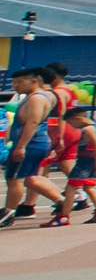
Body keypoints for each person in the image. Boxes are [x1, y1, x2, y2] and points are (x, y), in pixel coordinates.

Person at [5, 66, 65, 223]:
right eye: (13, 83)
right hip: (33, 143)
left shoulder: (37, 98)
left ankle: (8, 212)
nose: (15, 86)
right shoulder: (31, 97)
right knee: (30, 178)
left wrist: (21, 147)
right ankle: (63, 201)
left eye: (20, 82)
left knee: (14, 179)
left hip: (31, 144)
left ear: (34, 80)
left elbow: (33, 122)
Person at [43, 106, 96, 224]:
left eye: (71, 123)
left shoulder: (88, 129)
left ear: (77, 119)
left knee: (70, 189)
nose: (72, 126)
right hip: (89, 161)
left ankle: (64, 216)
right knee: (88, 187)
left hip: (84, 162)